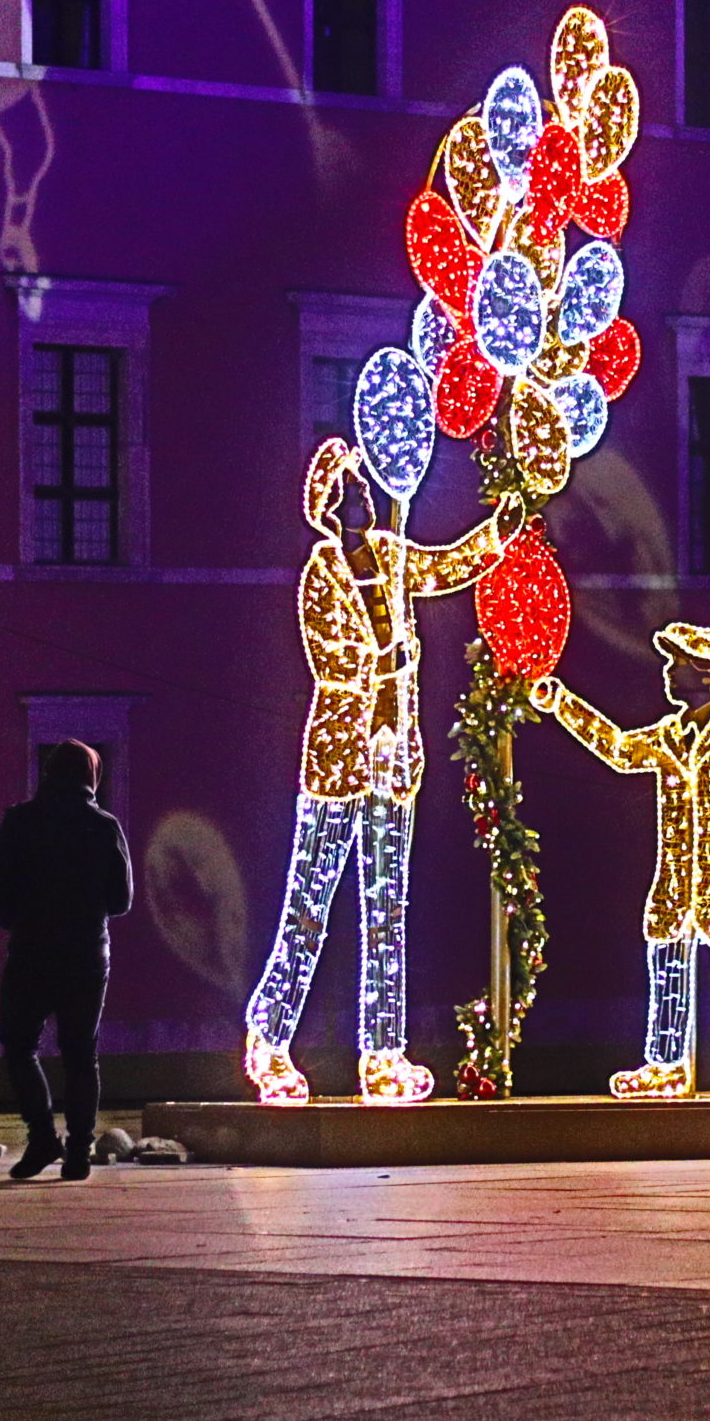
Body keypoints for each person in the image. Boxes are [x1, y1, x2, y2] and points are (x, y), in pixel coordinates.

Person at [242, 441, 516, 1105]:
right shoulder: (321, 574)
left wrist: (500, 532)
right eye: (352, 486)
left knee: (387, 911)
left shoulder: (392, 558)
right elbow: (334, 659)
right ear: (330, 505)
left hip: (395, 769)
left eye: (364, 484)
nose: (367, 492)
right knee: (308, 909)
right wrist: (390, 660)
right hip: (339, 763)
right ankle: (268, 1038)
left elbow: (446, 564)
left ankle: (383, 1053)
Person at [535, 623, 710, 1099]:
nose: (668, 673)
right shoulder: (670, 735)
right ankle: (666, 1064)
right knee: (669, 969)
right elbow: (619, 750)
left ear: (708, 675)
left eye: (677, 665)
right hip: (677, 881)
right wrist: (563, 704)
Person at [0, 738, 132, 1182]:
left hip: (31, 948)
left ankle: (42, 1137)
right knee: (81, 1054)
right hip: (86, 952)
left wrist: (15, 918)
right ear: (92, 776)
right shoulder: (103, 826)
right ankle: (79, 1152)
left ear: (49, 773)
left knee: (19, 1047)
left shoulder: (20, 820)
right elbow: (121, 900)